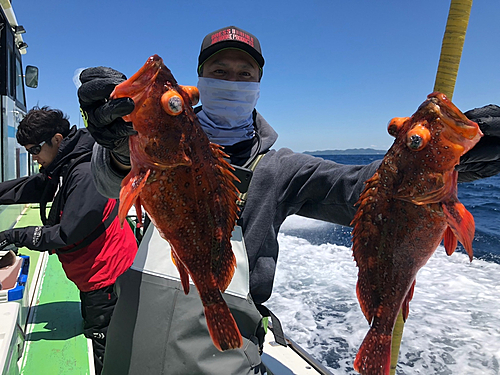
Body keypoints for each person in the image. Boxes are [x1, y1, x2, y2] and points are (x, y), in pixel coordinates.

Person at [77, 26, 500, 375]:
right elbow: (111, 181)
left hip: (223, 355)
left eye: (245, 74)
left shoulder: (281, 169)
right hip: (130, 336)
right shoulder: (149, 144)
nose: (232, 81)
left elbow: (362, 189)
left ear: (259, 86)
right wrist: (115, 140)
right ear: (199, 81)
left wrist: (446, 163)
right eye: (219, 71)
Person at [0, 106, 138, 375]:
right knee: (92, 326)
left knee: (105, 348)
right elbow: (35, 186)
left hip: (106, 274)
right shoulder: (65, 163)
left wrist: (12, 235)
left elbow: (67, 234)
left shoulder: (85, 171)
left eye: (35, 150)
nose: (34, 157)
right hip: (90, 272)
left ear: (58, 139)